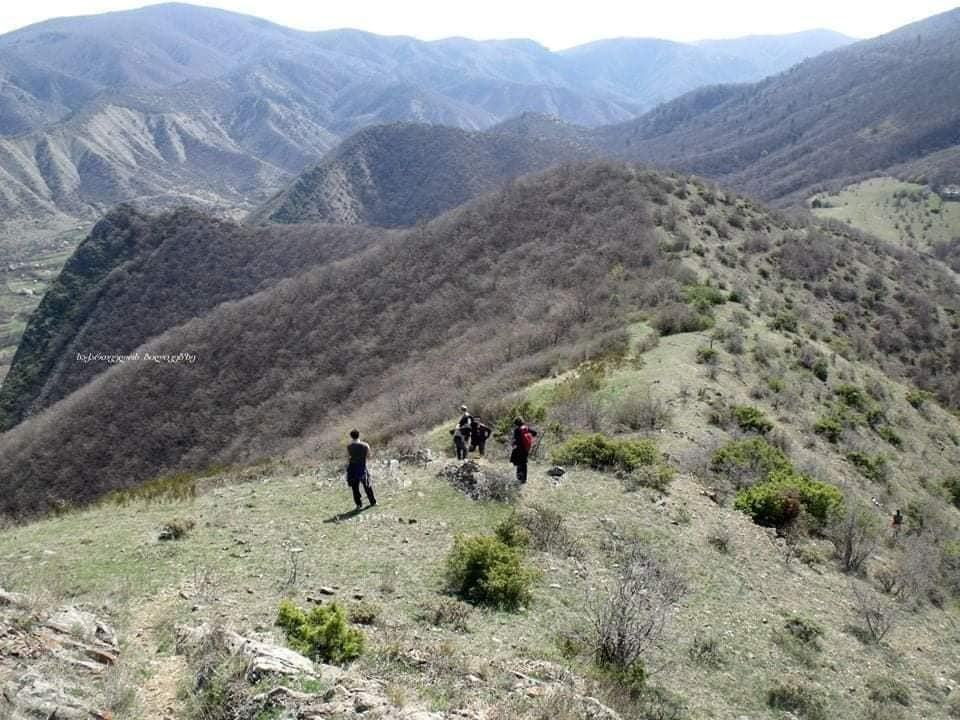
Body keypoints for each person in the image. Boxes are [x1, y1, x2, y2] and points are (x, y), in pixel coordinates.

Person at [346, 429, 376, 510]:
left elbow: (348, 458)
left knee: (355, 488)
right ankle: (373, 502)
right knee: (367, 485)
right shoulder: (365, 445)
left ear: (351, 436)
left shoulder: (349, 446)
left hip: (352, 468)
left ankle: (358, 505)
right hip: (362, 467)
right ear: (359, 435)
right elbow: (369, 456)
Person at [510, 416, 538, 484]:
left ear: (516, 423)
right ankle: (524, 480)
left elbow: (517, 440)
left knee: (518, 463)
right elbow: (535, 433)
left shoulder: (517, 430)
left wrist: (513, 444)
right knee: (524, 463)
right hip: (526, 449)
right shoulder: (526, 428)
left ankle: (519, 479)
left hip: (519, 449)